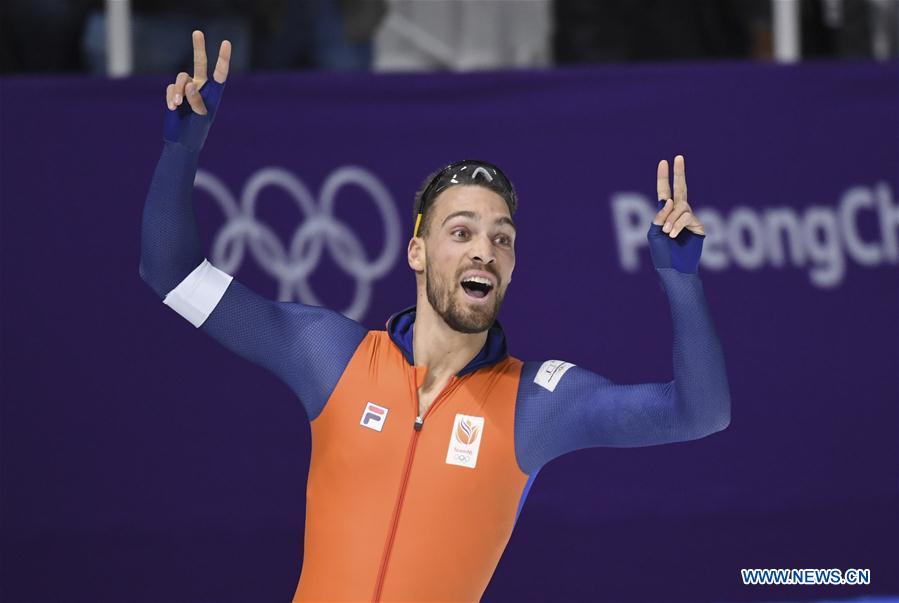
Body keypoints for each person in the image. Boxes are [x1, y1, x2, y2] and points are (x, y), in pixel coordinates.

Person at [140, 31, 731, 603]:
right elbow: (173, 275)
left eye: (503, 238)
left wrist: (681, 282)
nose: (485, 250)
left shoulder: (539, 404)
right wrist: (180, 150)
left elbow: (699, 414)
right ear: (417, 252)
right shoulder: (329, 356)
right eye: (462, 231)